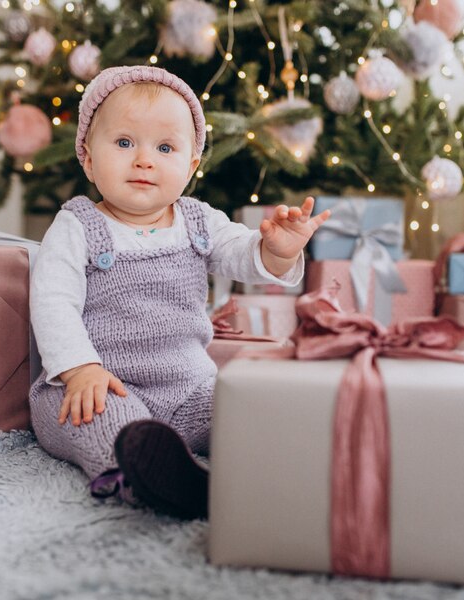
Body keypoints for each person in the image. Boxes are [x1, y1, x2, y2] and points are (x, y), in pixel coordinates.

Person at [28, 65, 330, 519]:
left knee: (239, 405)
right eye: (124, 143)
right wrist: (79, 369)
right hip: (105, 385)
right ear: (87, 158)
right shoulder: (78, 226)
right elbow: (53, 301)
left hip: (188, 391)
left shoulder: (198, 220)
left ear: (190, 166)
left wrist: (276, 251)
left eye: (165, 147)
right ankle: (154, 478)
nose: (144, 160)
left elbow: (242, 254)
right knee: (101, 422)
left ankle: (280, 457)